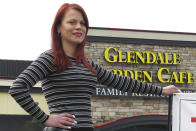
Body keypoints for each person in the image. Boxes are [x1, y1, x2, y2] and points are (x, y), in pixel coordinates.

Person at [8, 3, 181, 131]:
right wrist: (45, 118)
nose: (79, 27)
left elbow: (122, 82)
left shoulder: (86, 64)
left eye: (83, 23)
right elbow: (17, 88)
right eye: (72, 22)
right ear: (59, 28)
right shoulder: (50, 58)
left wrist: (161, 91)